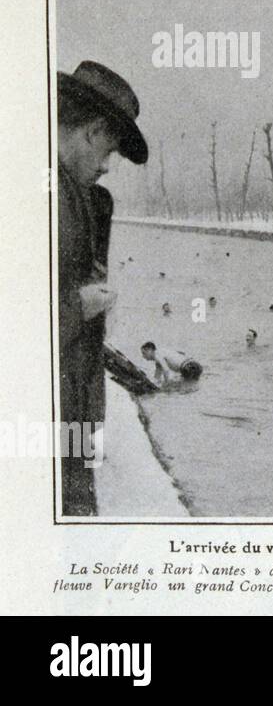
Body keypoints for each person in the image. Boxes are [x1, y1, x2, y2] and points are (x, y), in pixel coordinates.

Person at [57, 60, 149, 515]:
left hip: (71, 421)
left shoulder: (81, 196)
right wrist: (80, 304)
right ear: (92, 131)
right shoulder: (40, 193)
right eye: (109, 150)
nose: (108, 166)